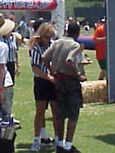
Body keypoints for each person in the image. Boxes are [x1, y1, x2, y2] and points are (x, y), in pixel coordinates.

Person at [43, 22, 86, 153]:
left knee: (60, 114)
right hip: (71, 81)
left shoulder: (57, 43)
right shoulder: (74, 45)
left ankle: (60, 143)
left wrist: (52, 71)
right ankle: (68, 144)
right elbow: (69, 61)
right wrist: (78, 75)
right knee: (73, 113)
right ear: (77, 33)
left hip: (58, 81)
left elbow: (44, 58)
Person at [28, 22, 59, 151]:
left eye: (50, 37)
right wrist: (49, 78)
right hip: (42, 81)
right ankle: (37, 140)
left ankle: (58, 139)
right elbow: (35, 68)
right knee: (40, 112)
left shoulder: (53, 46)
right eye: (46, 37)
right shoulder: (36, 48)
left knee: (56, 112)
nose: (48, 40)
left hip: (53, 81)